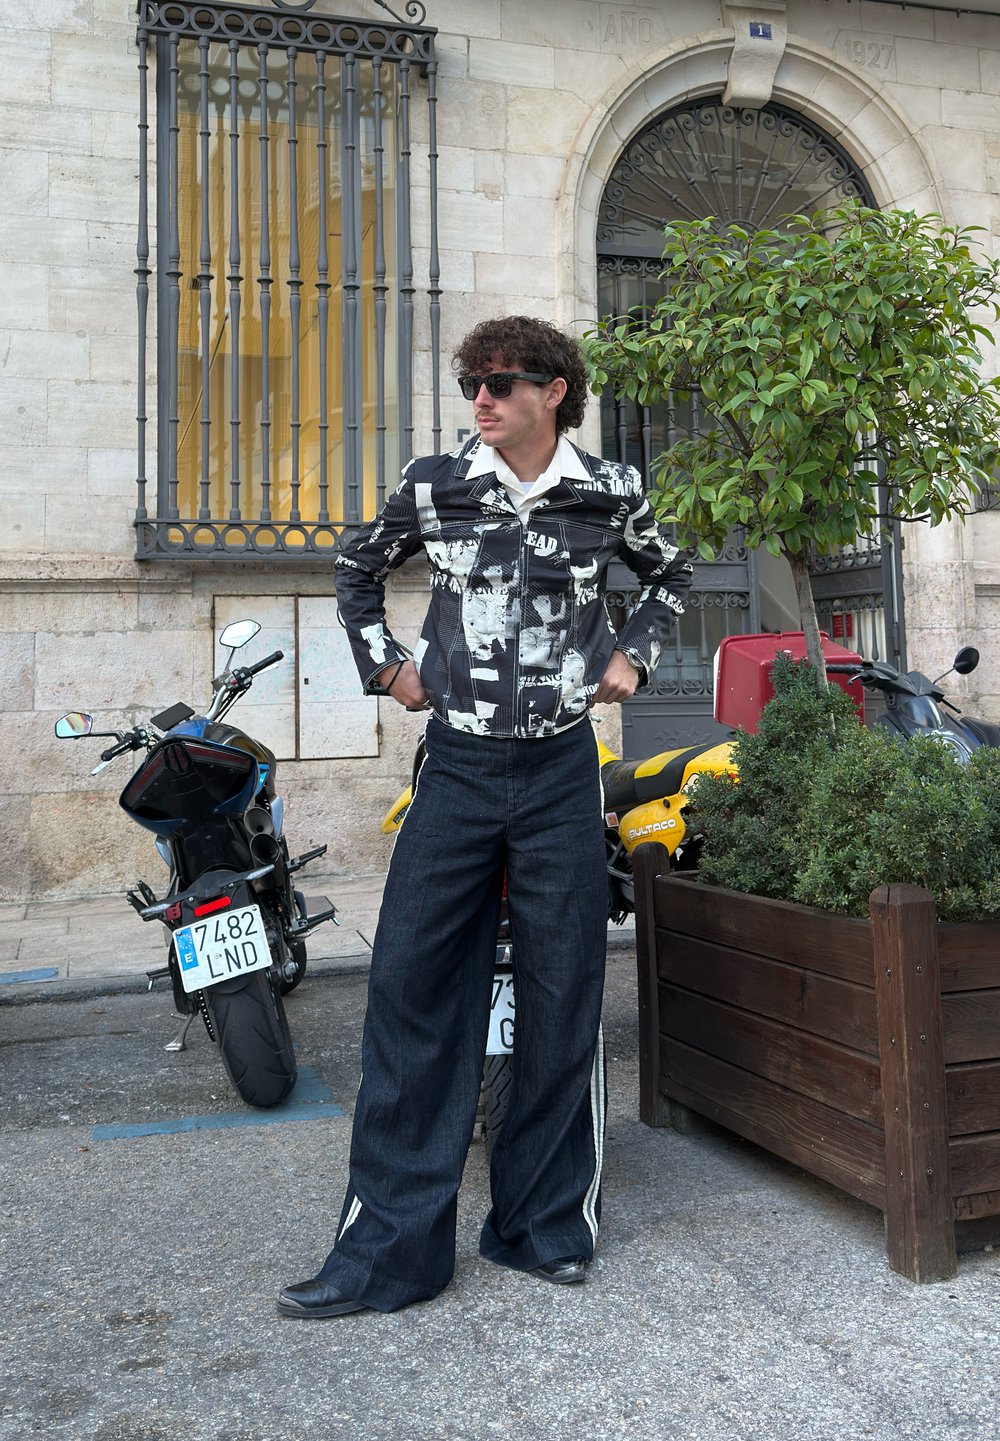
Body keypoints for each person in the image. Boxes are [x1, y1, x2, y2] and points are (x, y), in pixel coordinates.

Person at [278, 315, 693, 1317]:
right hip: (457, 768)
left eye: (500, 382)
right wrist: (387, 663)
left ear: (555, 391)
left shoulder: (611, 493)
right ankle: (388, 1255)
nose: (480, 399)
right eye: (471, 382)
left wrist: (631, 654)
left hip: (560, 774)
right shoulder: (436, 483)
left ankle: (543, 1226)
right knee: (413, 992)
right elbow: (355, 565)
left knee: (561, 995)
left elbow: (671, 575)